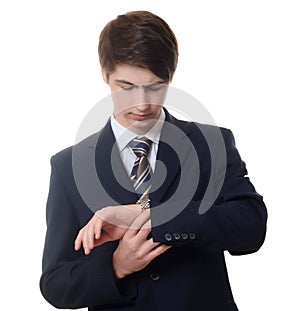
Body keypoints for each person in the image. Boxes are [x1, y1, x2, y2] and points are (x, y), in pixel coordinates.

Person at [40, 10, 267, 311]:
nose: (142, 103)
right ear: (104, 75)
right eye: (127, 87)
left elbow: (251, 229)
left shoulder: (211, 144)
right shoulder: (69, 166)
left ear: (171, 77)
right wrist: (117, 266)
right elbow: (55, 284)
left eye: (155, 86)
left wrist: (154, 218)